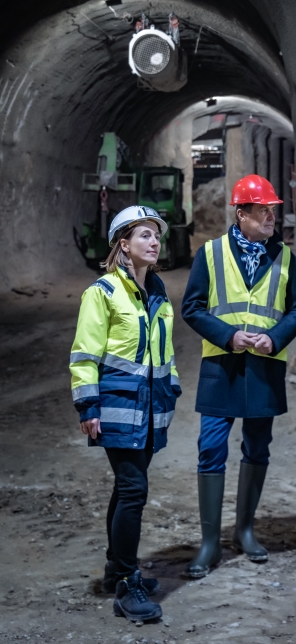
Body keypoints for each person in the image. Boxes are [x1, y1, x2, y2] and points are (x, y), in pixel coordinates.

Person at [182, 174, 296, 578]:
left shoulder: (286, 257)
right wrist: (229, 336)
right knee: (211, 448)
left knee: (258, 447)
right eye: (263, 211)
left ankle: (245, 530)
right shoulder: (211, 253)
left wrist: (274, 339)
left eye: (273, 210)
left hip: (264, 367)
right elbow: (193, 307)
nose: (272, 217)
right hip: (222, 365)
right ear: (242, 214)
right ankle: (209, 543)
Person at [69, 205, 181, 621]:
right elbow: (84, 354)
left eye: (156, 235)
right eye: (145, 236)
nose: (154, 242)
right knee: (134, 490)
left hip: (151, 408)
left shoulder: (157, 290)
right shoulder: (103, 292)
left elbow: (165, 349)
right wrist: (87, 404)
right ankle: (127, 584)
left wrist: (174, 387)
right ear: (123, 245)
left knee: (126, 488)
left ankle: (116, 570)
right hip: (118, 407)